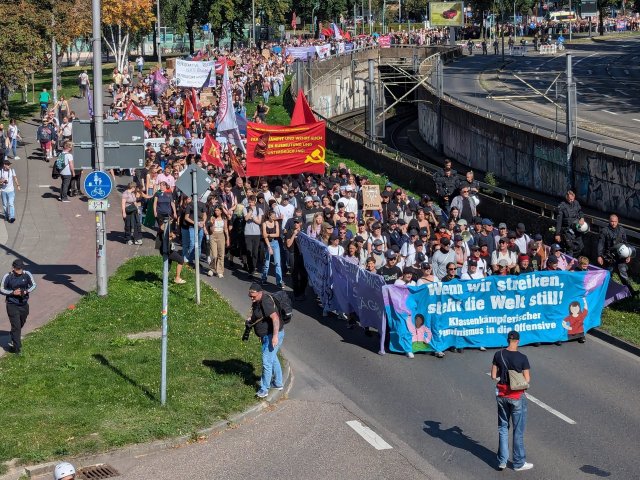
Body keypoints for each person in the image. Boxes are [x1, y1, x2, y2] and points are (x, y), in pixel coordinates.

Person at [491, 330, 533, 472]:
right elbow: (527, 380)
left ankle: (502, 461)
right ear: (518, 341)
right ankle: (518, 462)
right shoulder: (522, 358)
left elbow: (493, 375)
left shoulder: (498, 354)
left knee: (503, 428)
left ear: (507, 340)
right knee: (518, 430)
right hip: (516, 397)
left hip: (501, 395)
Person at [247, 283, 284, 398]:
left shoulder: (266, 301)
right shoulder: (257, 301)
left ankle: (264, 389)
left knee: (266, 361)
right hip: (266, 335)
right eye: (250, 296)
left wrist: (275, 336)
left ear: (260, 293)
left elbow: (275, 319)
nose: (252, 299)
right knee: (273, 358)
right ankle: (278, 383)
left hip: (272, 335)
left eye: (253, 296)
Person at [1, 259, 37, 355]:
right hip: (12, 304)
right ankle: (17, 349)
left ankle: (13, 335)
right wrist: (12, 292)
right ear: (13, 268)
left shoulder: (27, 274)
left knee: (21, 322)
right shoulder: (7, 276)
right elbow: (1, 289)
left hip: (24, 303)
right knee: (16, 326)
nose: (19, 271)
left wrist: (26, 291)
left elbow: (33, 285)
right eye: (17, 269)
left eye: (21, 268)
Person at [597, 214, 637, 295]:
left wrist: (628, 255)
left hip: (620, 258)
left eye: (615, 221)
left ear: (618, 221)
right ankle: (601, 294)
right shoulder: (604, 230)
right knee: (607, 276)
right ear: (609, 221)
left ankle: (631, 292)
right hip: (609, 257)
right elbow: (600, 244)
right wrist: (599, 256)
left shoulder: (621, 230)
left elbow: (626, 243)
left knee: (624, 276)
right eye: (612, 221)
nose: (613, 223)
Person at [555, 190, 586, 258]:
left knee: (580, 246)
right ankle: (568, 261)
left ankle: (573, 258)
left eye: (572, 199)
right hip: (567, 231)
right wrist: (557, 234)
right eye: (569, 199)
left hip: (576, 229)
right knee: (570, 247)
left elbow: (580, 212)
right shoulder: (562, 206)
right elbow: (559, 221)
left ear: (574, 197)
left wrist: (582, 218)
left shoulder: (576, 203)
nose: (571, 201)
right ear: (566, 198)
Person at [261, 209, 283, 288]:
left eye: (274, 216)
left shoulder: (276, 223)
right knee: (267, 263)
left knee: (278, 263)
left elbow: (277, 234)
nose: (274, 218)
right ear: (269, 216)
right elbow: (264, 236)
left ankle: (279, 282)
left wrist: (269, 235)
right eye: (272, 217)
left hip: (275, 243)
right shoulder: (264, 224)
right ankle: (264, 278)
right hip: (268, 243)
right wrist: (269, 247)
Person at [207, 205, 230, 278]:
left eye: (217, 210)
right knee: (214, 255)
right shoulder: (212, 218)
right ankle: (212, 269)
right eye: (215, 210)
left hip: (221, 236)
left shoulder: (224, 219)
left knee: (221, 254)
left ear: (221, 211)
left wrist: (228, 239)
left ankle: (220, 271)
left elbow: (226, 229)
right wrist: (213, 223)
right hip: (213, 235)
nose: (216, 212)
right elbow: (211, 230)